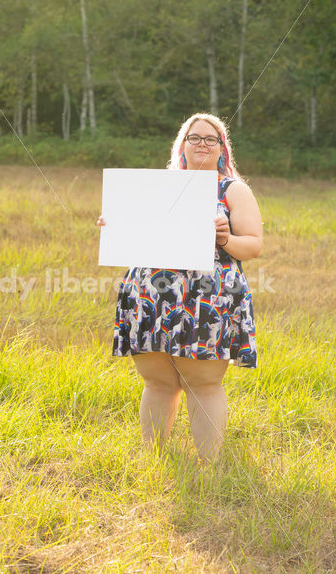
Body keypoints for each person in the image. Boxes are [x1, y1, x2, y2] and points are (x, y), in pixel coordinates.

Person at [96, 113, 263, 465]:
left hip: (207, 301)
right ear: (182, 146)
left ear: (222, 149)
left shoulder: (232, 190)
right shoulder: (156, 188)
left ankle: (208, 468)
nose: (202, 144)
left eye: (211, 139)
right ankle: (154, 460)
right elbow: (132, 232)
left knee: (203, 384)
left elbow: (253, 245)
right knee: (157, 381)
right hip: (149, 298)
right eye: (194, 137)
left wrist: (226, 237)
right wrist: (114, 224)